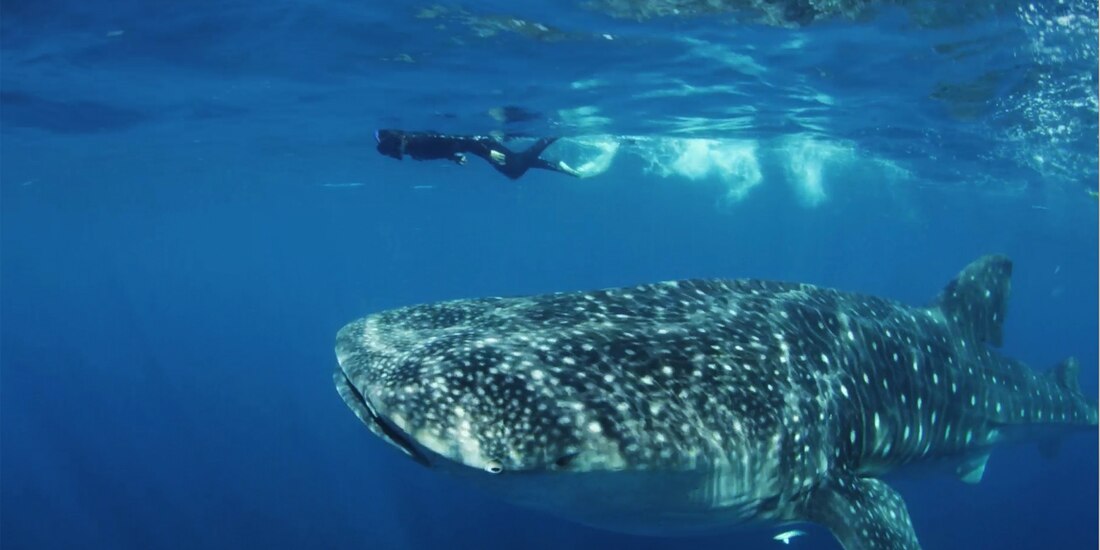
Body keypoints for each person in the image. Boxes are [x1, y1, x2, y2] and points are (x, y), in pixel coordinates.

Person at [374, 129, 582, 180]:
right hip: (476, 148)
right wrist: (453, 157)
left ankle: (550, 138)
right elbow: (445, 149)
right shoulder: (414, 147)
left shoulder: (420, 141)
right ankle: (555, 164)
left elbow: (461, 140)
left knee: (514, 169)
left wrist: (489, 152)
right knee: (514, 167)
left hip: (480, 144)